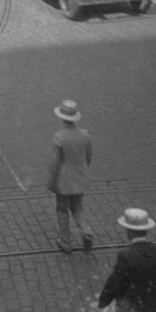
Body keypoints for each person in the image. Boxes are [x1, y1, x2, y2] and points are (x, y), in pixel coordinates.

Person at [98, 208, 156, 312]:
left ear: (130, 231)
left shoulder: (126, 256)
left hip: (133, 311)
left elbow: (117, 282)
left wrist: (104, 300)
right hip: (154, 309)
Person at [47, 99, 94, 253]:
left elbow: (54, 164)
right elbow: (88, 157)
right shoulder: (85, 135)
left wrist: (51, 183)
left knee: (62, 211)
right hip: (79, 179)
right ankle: (86, 232)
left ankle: (66, 243)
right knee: (78, 207)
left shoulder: (59, 137)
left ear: (62, 118)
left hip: (64, 181)